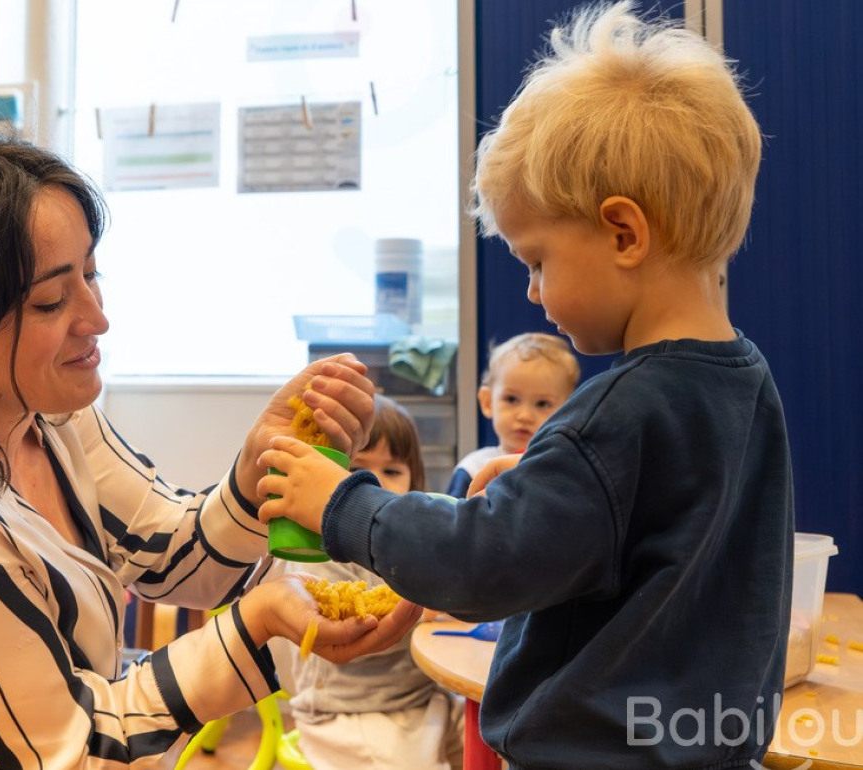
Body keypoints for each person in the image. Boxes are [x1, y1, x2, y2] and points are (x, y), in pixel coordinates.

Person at [256, 3, 793, 768]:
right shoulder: (747, 382)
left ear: (624, 233)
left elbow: (480, 564)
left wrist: (340, 503)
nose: (534, 292)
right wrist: (547, 485)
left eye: (538, 261)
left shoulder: (617, 413)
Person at [0, 128, 420, 770]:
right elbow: (81, 750)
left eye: (91, 274)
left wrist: (256, 467)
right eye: (50, 301)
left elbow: (173, 553)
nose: (97, 318)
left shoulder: (52, 418)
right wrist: (257, 625)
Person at [269, 396, 464, 770]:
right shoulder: (319, 549)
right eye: (358, 472)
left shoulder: (412, 544)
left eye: (392, 471)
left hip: (422, 698)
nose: (375, 487)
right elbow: (342, 627)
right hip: (349, 712)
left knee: (496, 738)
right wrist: (426, 604)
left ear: (414, 483)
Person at [446, 332, 578, 497]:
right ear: (487, 402)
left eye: (542, 404)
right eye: (511, 399)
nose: (524, 416)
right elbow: (452, 512)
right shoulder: (473, 469)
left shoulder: (566, 472)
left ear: (566, 410)